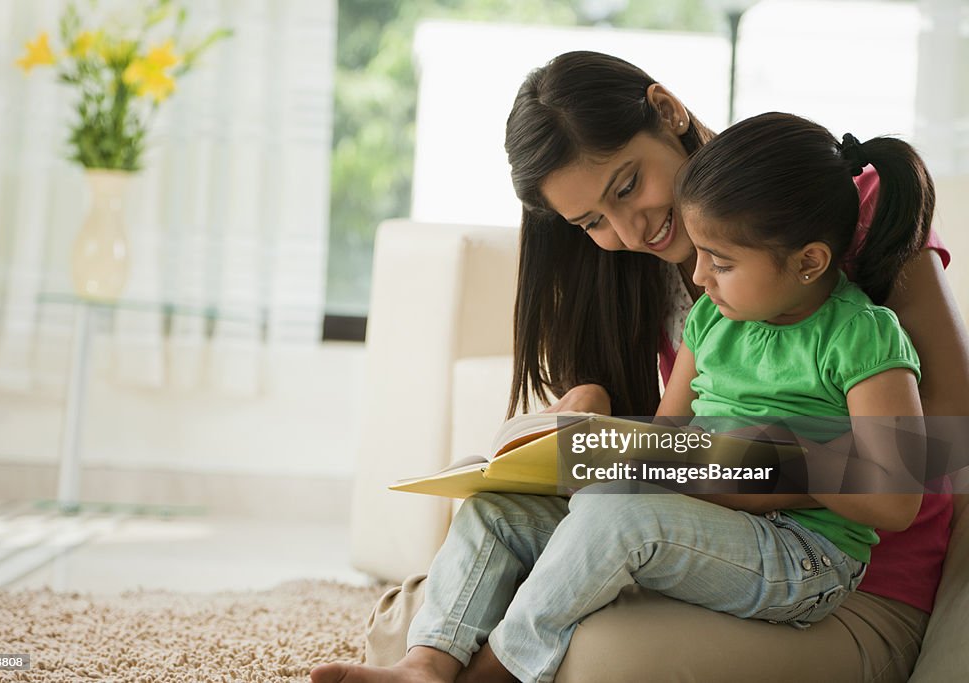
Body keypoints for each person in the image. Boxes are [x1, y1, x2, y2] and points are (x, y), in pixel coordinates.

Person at [318, 52, 969, 682]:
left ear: (667, 109)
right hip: (701, 534)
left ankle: (489, 668)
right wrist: (587, 422)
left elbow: (938, 444)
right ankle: (427, 666)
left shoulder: (844, 215)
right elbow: (668, 447)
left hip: (845, 572)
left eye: (628, 185)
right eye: (593, 220)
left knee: (597, 656)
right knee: (476, 550)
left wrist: (753, 466)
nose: (631, 233)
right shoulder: (693, 300)